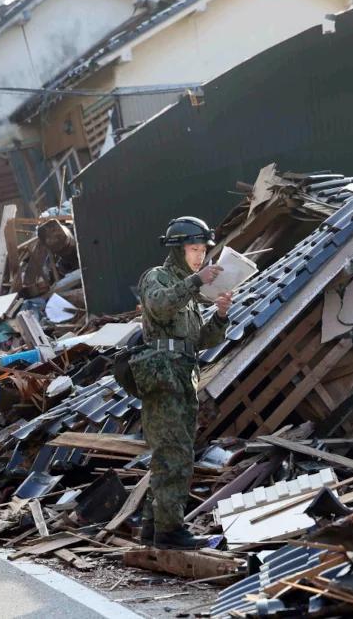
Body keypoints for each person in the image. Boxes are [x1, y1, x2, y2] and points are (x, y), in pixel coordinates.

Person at [131, 217, 232, 549]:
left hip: (182, 373)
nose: (200, 257)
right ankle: (171, 531)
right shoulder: (157, 278)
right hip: (163, 376)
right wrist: (195, 282)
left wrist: (219, 315)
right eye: (193, 249)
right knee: (174, 453)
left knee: (172, 453)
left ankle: (153, 527)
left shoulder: (190, 290)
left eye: (203, 250)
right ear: (177, 250)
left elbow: (199, 339)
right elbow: (159, 308)